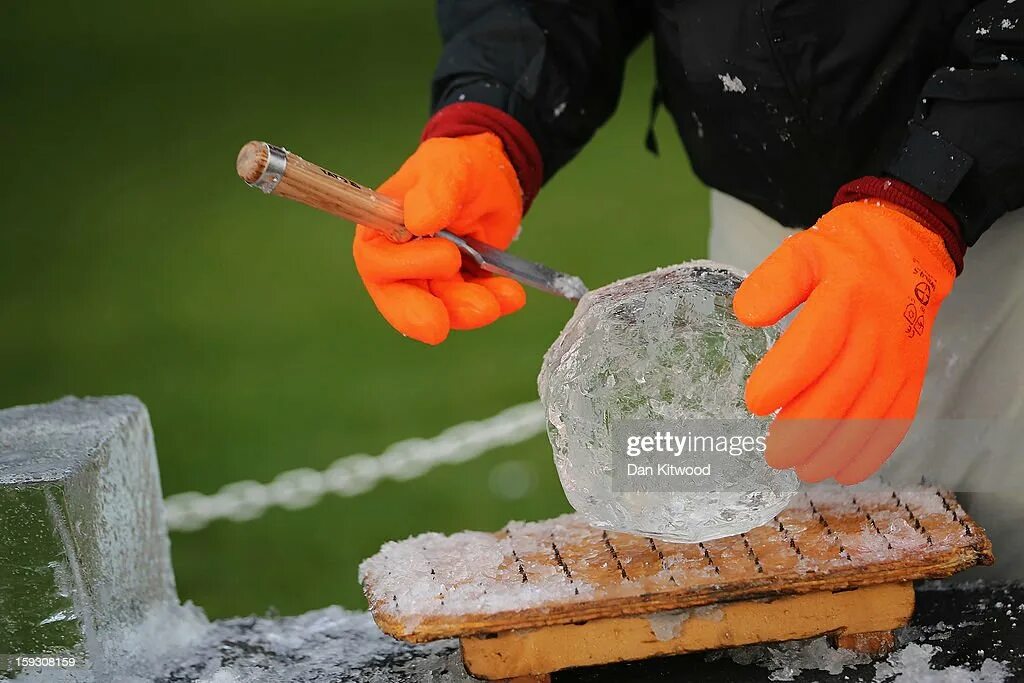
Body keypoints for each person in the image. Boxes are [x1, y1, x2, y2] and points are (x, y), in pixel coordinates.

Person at [352, 2, 1023, 575]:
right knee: (786, 566)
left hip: (1002, 226)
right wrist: (493, 117)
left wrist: (937, 187)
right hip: (765, 236)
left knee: (1000, 566)